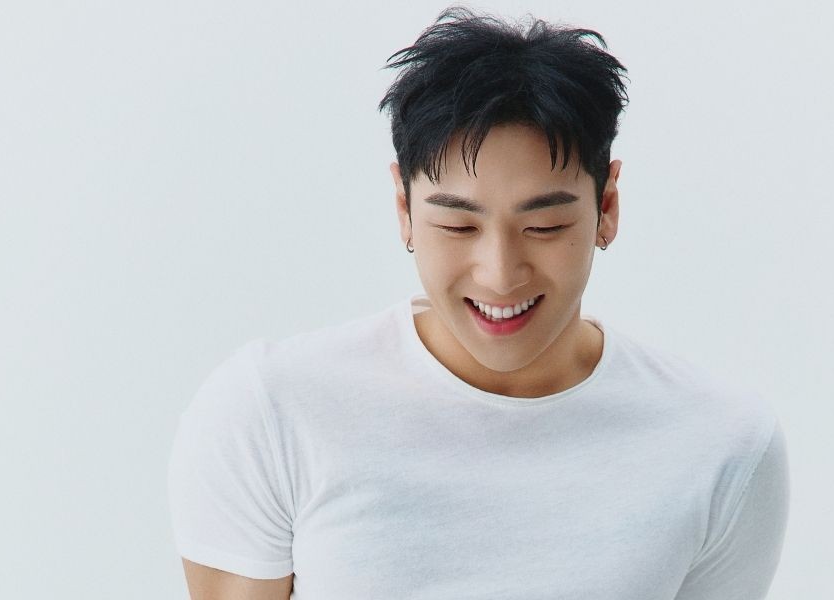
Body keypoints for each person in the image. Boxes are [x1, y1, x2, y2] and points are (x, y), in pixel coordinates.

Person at [167, 6, 789, 599]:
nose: (500, 274)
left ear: (607, 207)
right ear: (405, 209)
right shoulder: (271, 413)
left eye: (544, 227)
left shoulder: (721, 445)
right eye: (458, 226)